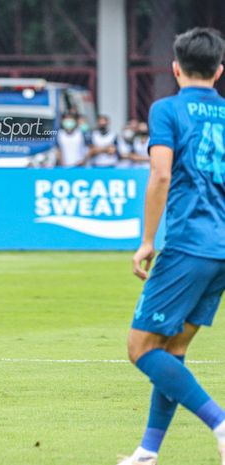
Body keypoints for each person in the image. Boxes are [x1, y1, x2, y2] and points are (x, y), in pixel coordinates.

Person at [119, 27, 225, 465]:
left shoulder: (167, 109)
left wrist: (147, 240)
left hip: (188, 244)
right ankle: (148, 451)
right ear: (219, 72)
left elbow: (160, 174)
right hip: (221, 250)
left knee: (140, 348)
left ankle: (220, 422)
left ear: (176, 68)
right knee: (173, 350)